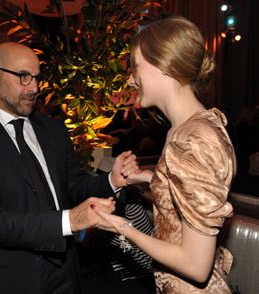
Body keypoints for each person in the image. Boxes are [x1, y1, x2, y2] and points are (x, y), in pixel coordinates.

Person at [0, 42, 138, 294]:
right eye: (23, 77)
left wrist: (111, 181)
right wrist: (68, 221)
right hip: (9, 279)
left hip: (65, 272)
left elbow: (73, 188)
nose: (34, 88)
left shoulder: (54, 131)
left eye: (36, 78)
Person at [92, 16, 237, 293]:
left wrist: (123, 228)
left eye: (135, 68)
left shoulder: (193, 140)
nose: (131, 80)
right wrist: (148, 177)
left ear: (164, 67)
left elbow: (196, 265)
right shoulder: (183, 129)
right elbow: (186, 191)